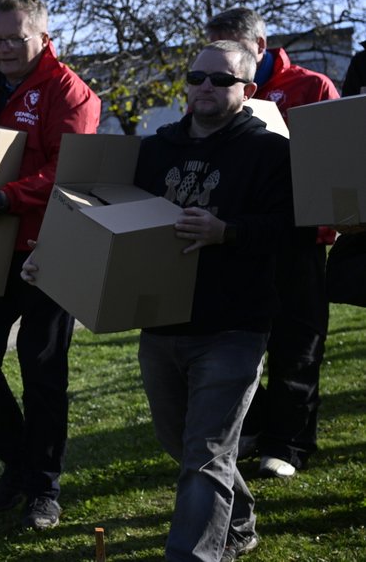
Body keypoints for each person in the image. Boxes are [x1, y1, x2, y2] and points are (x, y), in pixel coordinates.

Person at [123, 41, 290, 561]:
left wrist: (227, 232)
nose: (205, 88)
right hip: (163, 322)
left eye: (221, 80)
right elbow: (115, 221)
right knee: (183, 444)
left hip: (234, 324)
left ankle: (192, 555)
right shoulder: (154, 151)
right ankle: (238, 523)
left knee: (206, 450)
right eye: (197, 77)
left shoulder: (269, 152)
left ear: (248, 90)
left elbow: (292, 230)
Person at [0, 0, 101, 530]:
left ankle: (43, 488)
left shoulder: (70, 92)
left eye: (16, 38)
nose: (5, 48)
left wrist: (4, 198)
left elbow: (70, 169)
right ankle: (18, 462)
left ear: (41, 36)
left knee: (41, 366)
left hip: (48, 250)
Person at [205, 7, 339, 479]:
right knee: (236, 338)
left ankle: (289, 443)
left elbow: (333, 154)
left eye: (230, 52)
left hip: (297, 236)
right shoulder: (211, 89)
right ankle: (257, 426)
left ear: (259, 47)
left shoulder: (311, 86)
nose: (217, 67)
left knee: (296, 341)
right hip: (236, 234)